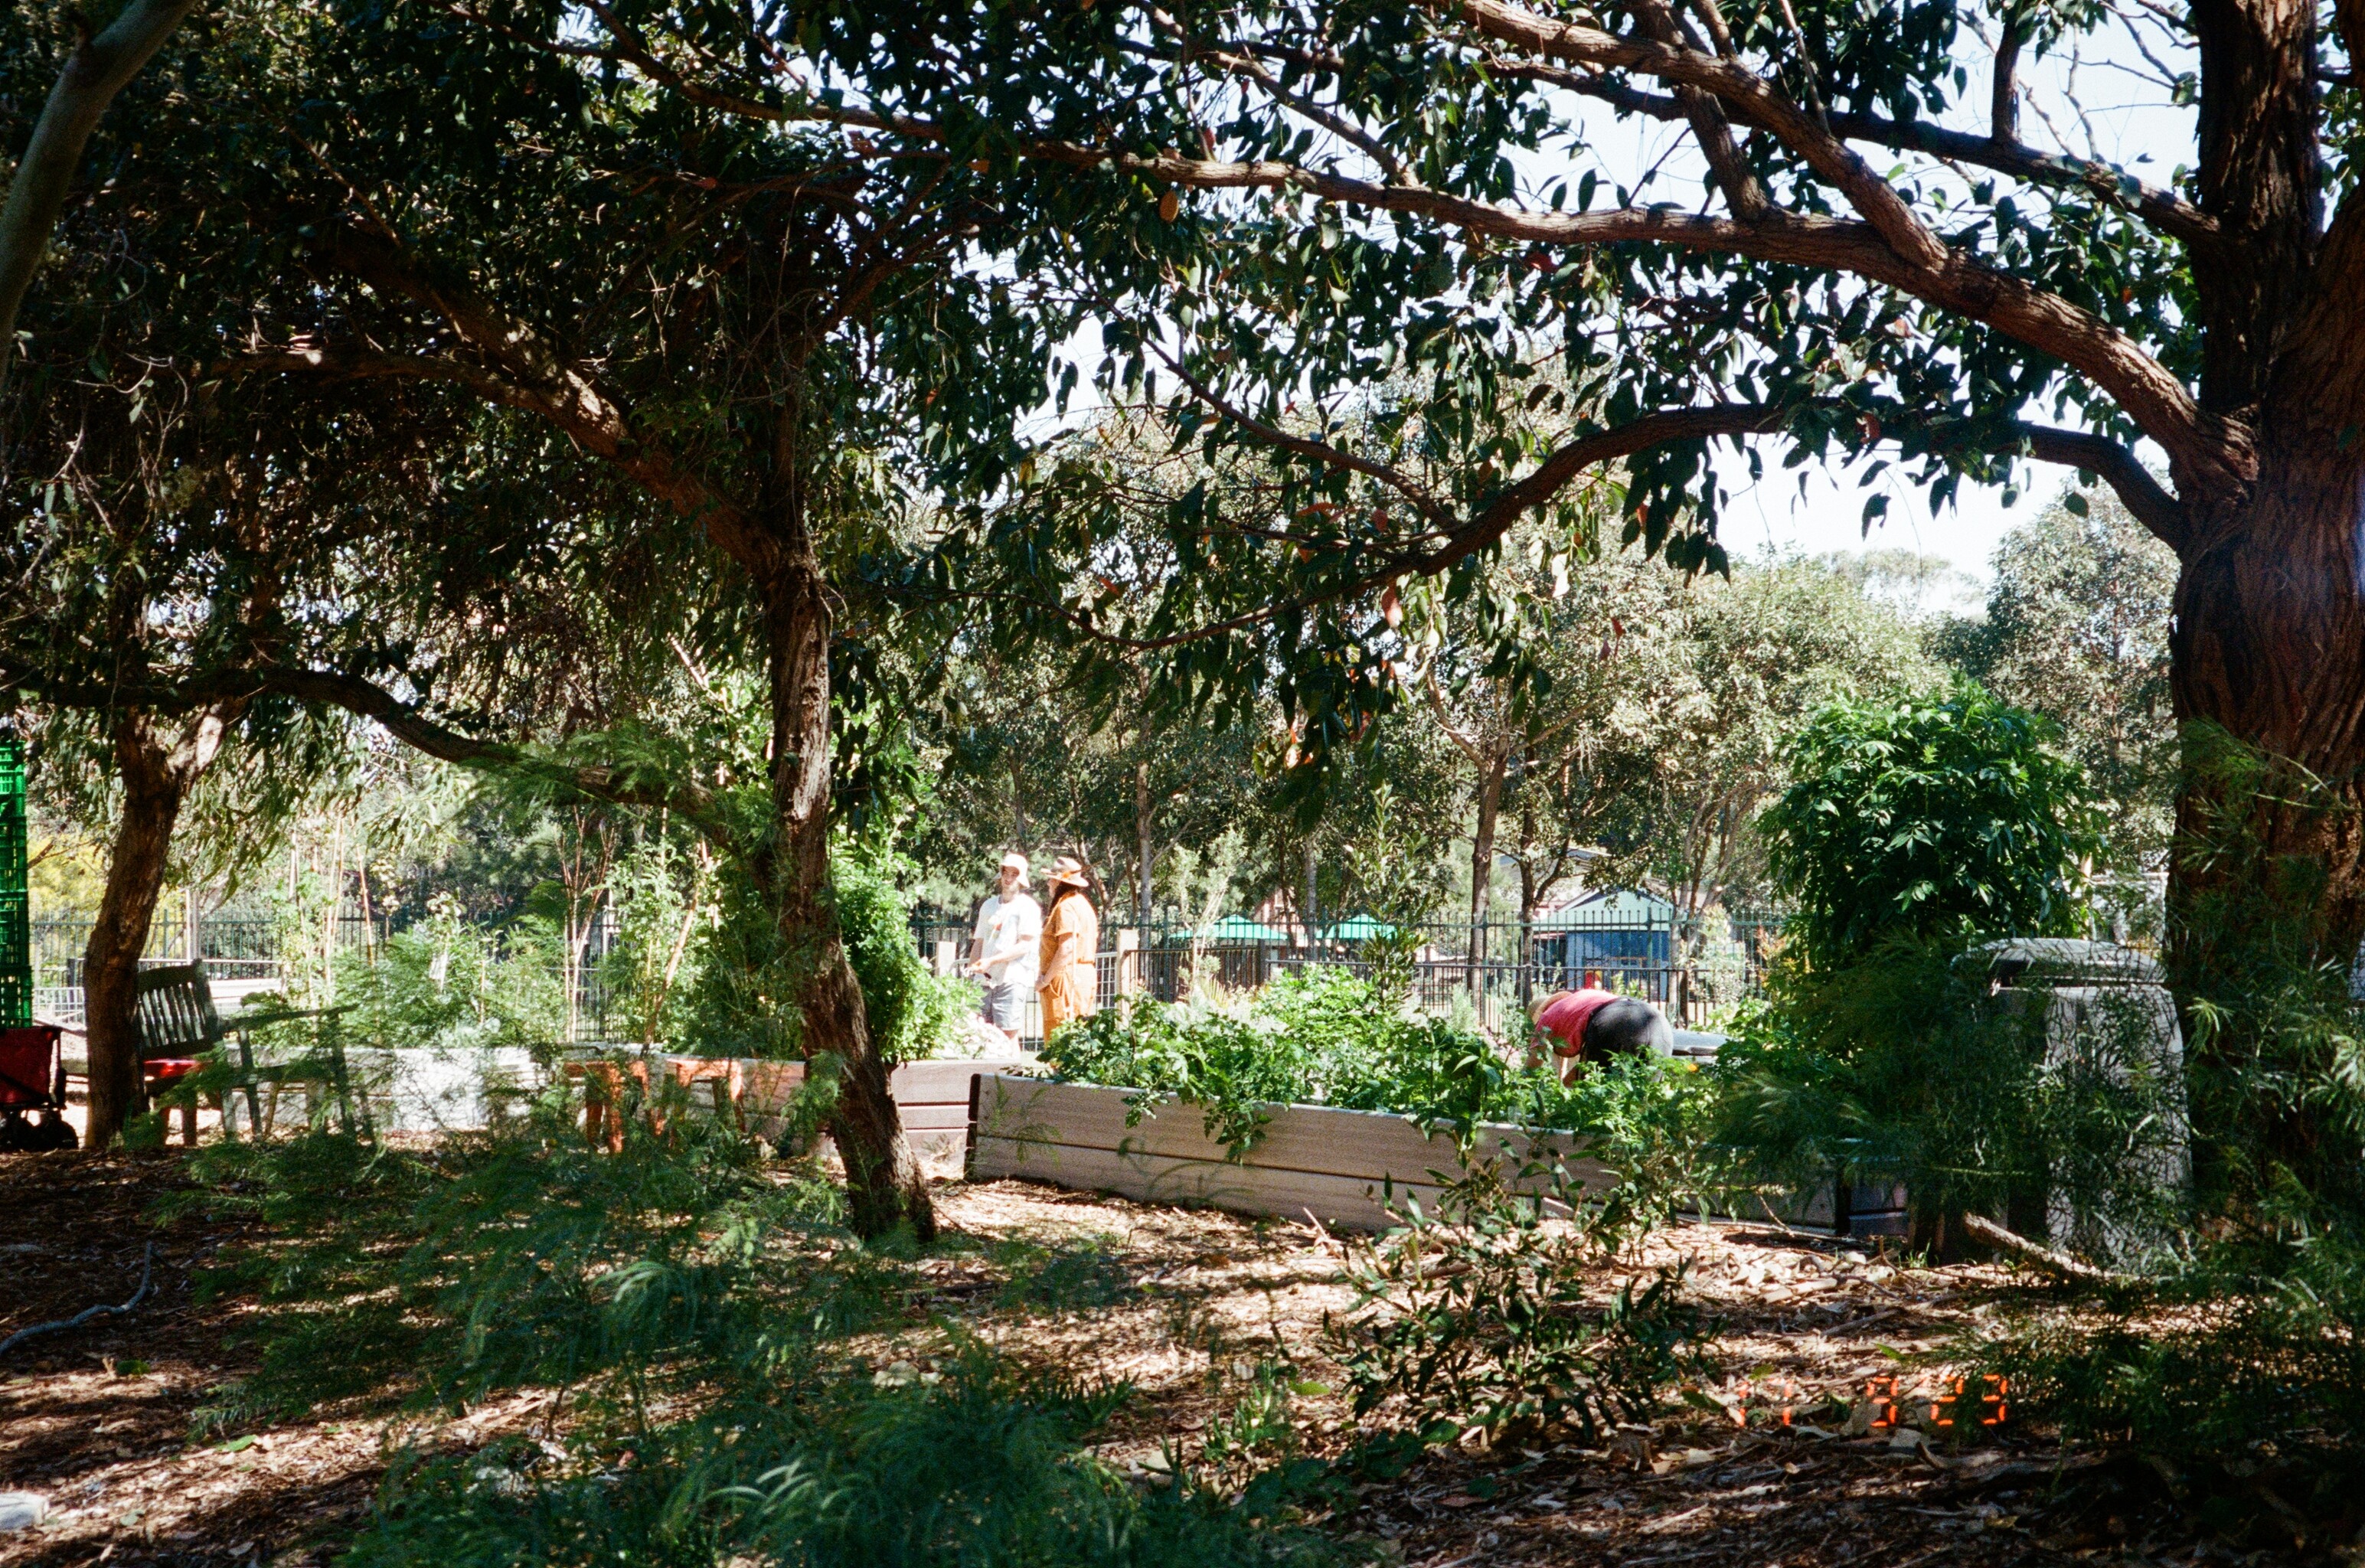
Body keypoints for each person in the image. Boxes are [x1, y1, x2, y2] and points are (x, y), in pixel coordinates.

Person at [966, 852, 1042, 1043]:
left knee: (1007, 1036)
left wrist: (991, 961)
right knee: (979, 1033)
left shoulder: (1028, 907)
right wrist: (971, 972)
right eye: (1005, 873)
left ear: (1022, 878)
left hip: (1012, 980)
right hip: (982, 982)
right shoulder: (988, 905)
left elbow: (1025, 945)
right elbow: (980, 942)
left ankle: (1011, 1073)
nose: (1008, 878)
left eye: (1014, 874)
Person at [1530, 985, 1673, 1080]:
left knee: (1597, 1093)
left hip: (1616, 1021)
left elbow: (1531, 1069)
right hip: (1657, 1019)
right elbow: (1581, 1067)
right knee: (1646, 1097)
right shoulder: (1581, 1001)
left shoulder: (1547, 1018)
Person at [1035, 856, 1100, 1040]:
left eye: (1051, 879)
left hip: (1066, 977)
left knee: (1060, 1037)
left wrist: (1045, 980)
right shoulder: (1083, 904)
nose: (1048, 883)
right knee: (1076, 1034)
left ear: (1058, 881)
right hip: (1081, 976)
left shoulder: (1066, 906)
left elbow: (1067, 948)